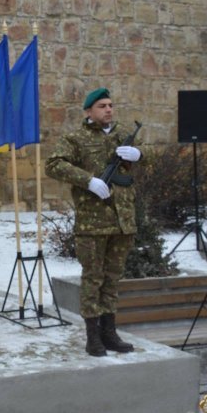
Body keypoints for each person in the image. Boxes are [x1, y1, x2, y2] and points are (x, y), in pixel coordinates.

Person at [44, 88, 142, 357]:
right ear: (89, 111)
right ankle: (92, 336)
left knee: (112, 279)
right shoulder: (75, 138)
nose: (108, 110)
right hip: (93, 224)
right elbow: (53, 165)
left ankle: (110, 333)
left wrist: (140, 156)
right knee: (93, 279)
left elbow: (147, 163)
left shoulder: (124, 135)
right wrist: (88, 180)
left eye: (111, 105)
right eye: (102, 106)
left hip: (123, 221)